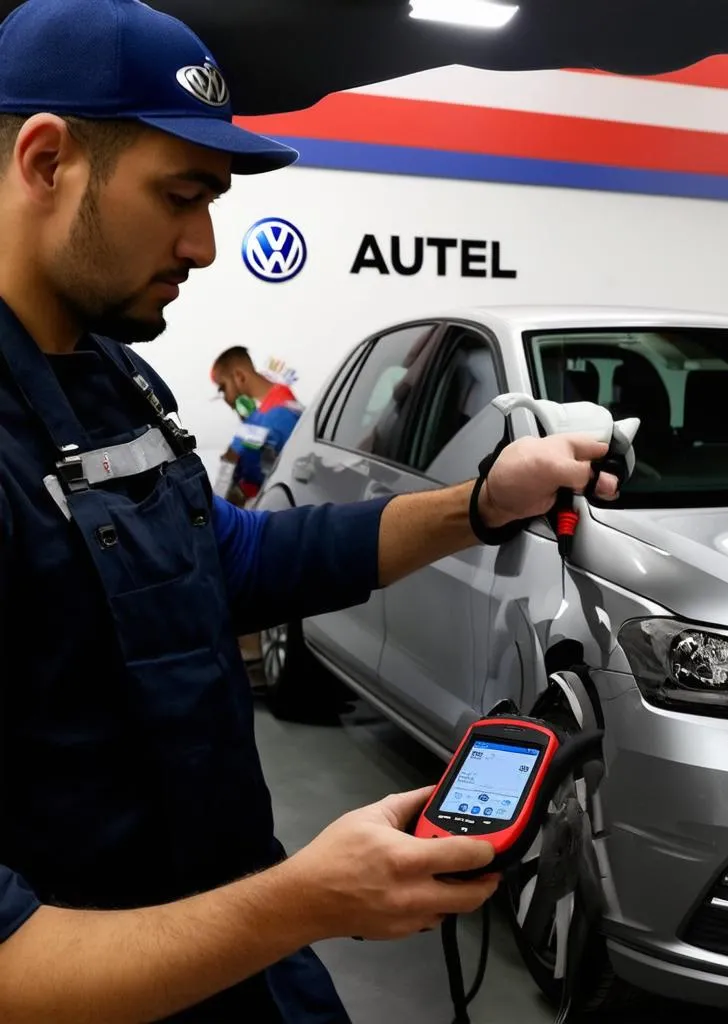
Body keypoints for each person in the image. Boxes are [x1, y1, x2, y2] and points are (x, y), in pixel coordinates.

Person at [0, 1, 619, 1023]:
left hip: (235, 950)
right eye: (180, 196)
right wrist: (302, 903)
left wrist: (483, 502)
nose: (203, 244)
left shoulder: (114, 381)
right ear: (46, 158)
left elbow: (240, 559)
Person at [211, 346, 304, 505]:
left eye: (223, 388)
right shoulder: (260, 414)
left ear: (239, 376)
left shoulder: (282, 415)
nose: (225, 398)